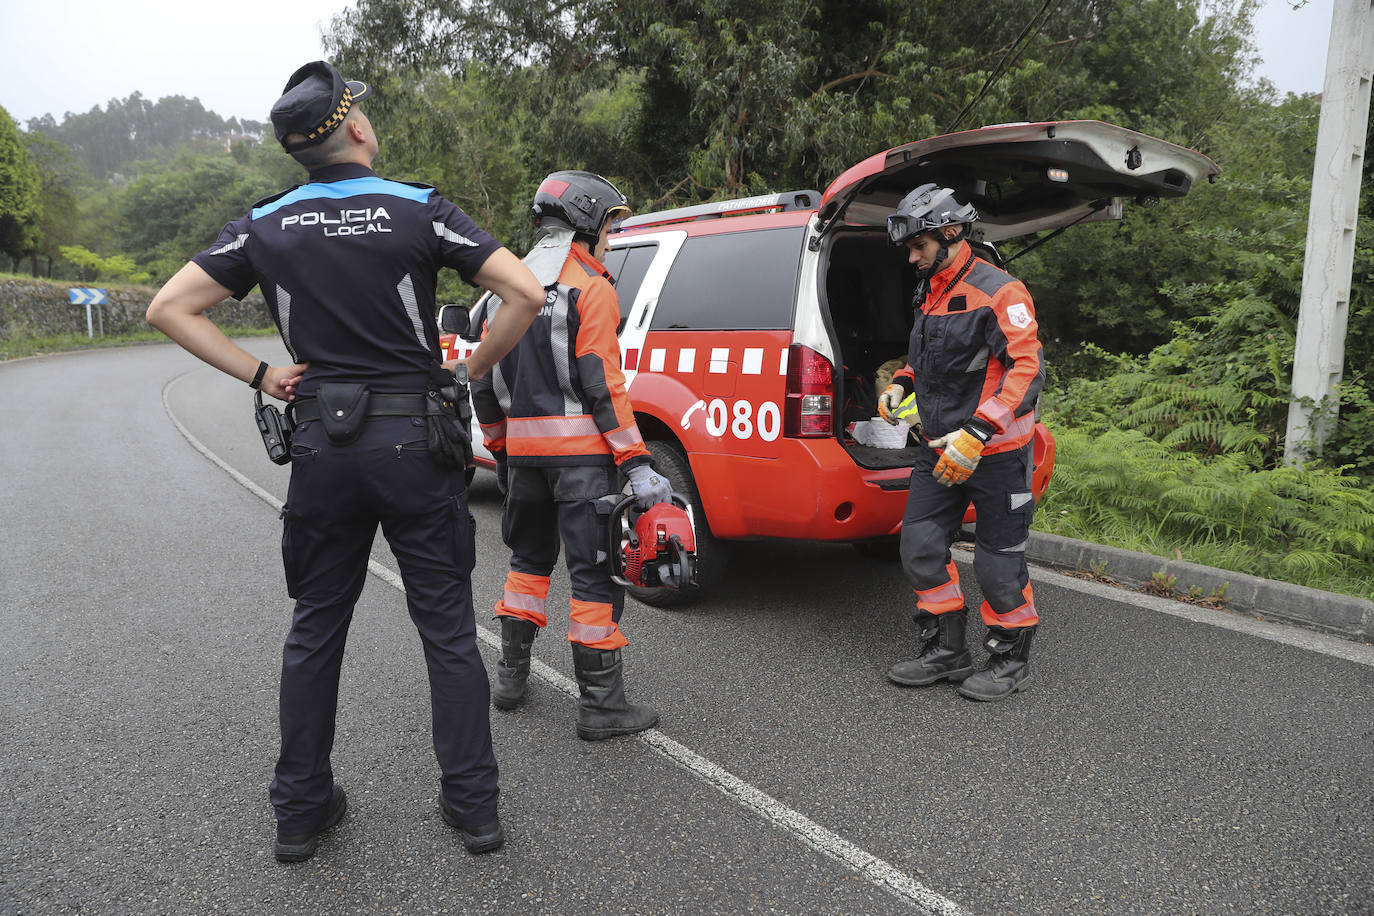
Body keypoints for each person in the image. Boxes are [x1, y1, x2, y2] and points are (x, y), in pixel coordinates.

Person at [145, 61, 545, 861]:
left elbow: (166, 307)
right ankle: (474, 810)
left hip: (323, 450)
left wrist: (262, 374)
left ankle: (300, 811)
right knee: (446, 632)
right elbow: (526, 293)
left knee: (315, 628)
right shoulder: (419, 208)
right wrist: (466, 370)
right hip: (415, 446)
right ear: (356, 126)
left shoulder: (265, 222)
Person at [471, 170, 669, 740]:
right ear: (588, 221)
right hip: (585, 466)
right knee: (594, 579)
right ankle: (601, 707)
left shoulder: (496, 293)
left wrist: (504, 451)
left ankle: (509, 681)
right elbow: (603, 384)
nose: (612, 236)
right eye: (611, 224)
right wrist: (635, 462)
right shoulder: (592, 287)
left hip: (525, 466)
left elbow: (480, 380)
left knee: (527, 568)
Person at [876, 183, 1046, 702]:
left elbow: (1027, 368)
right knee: (920, 546)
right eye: (908, 248)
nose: (911, 257)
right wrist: (902, 381)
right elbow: (925, 356)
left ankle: (1010, 659)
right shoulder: (929, 289)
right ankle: (946, 650)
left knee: (998, 563)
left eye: (918, 246)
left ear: (950, 232)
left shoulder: (1000, 291)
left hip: (994, 454)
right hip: (939, 450)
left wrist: (979, 430)